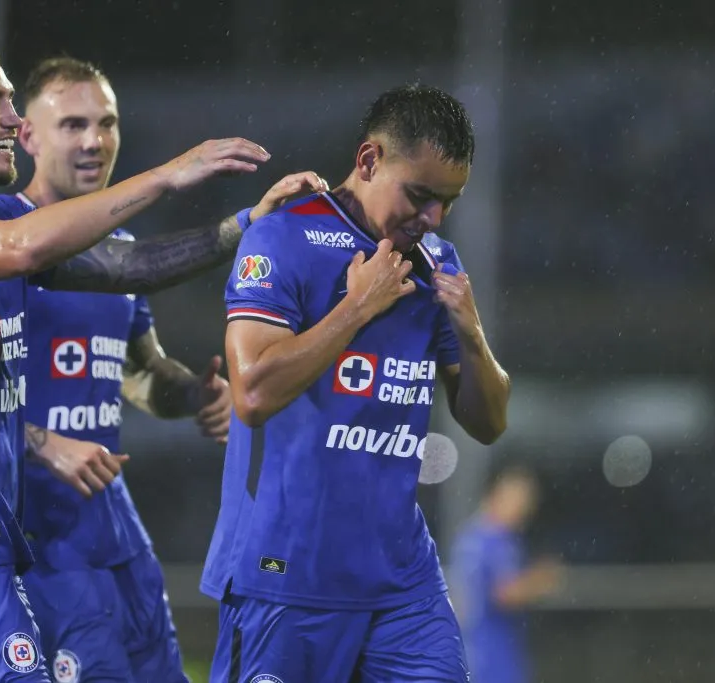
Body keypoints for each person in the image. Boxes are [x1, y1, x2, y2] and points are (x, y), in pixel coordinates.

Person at [0, 34, 272, 682]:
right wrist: (166, 174)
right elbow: (23, 247)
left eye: (105, 123)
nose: (11, 118)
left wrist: (248, 223)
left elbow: (128, 267)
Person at [0, 57, 328, 683]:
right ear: (28, 137)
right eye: (72, 124)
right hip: (36, 527)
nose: (94, 140)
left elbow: (139, 374)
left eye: (107, 123)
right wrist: (39, 443)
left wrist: (194, 393)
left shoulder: (118, 247)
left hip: (112, 522)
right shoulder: (2, 234)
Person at [200, 83, 512, 683]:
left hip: (401, 583)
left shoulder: (438, 264)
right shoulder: (284, 237)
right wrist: (355, 309)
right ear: (370, 160)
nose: (433, 219)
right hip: (286, 574)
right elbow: (254, 393)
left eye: (448, 203)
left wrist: (472, 335)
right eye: (420, 196)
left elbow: (489, 422)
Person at [448, 465, 564, 683]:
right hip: (490, 652)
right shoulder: (492, 540)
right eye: (518, 498)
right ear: (497, 495)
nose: (523, 508)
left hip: (481, 648)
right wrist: (541, 580)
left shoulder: (475, 536)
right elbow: (505, 593)